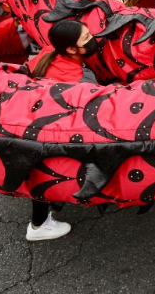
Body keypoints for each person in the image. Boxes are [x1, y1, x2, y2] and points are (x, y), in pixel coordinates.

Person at [24, 19, 99, 241]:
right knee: (46, 174)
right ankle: (38, 226)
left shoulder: (48, 53)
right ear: (71, 49)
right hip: (50, 134)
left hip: (32, 123)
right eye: (86, 38)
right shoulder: (80, 81)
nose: (93, 39)